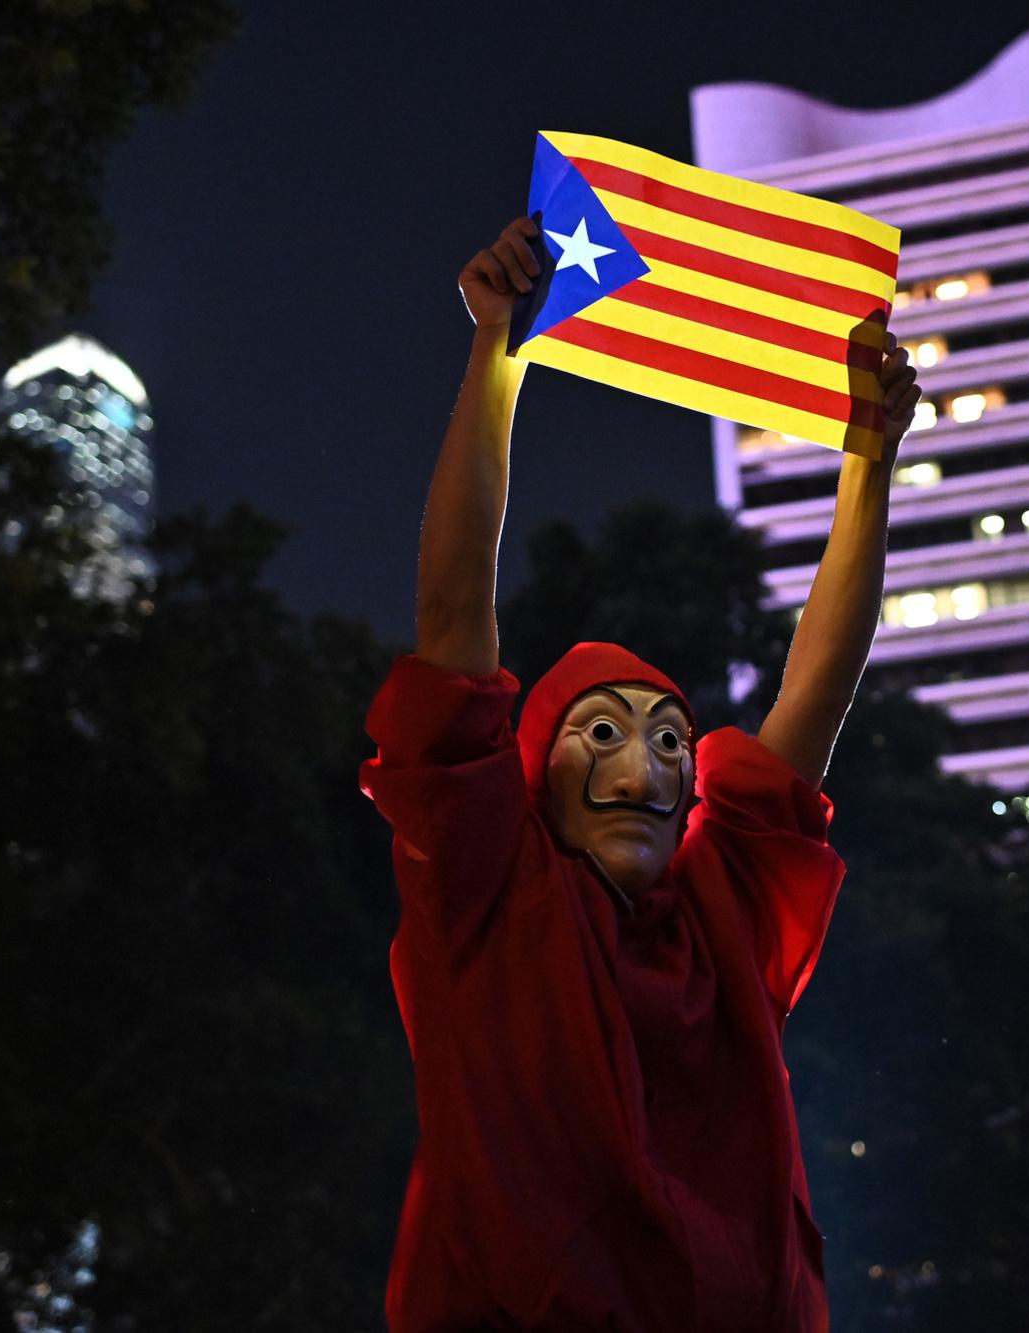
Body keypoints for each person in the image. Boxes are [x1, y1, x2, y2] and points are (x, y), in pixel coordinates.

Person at [359, 216, 918, 1332]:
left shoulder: (719, 913)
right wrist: (496, 351)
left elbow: (819, 688)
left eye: (670, 736)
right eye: (602, 731)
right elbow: (453, 608)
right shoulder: (487, 894)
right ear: (529, 776)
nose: (650, 759)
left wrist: (868, 459)